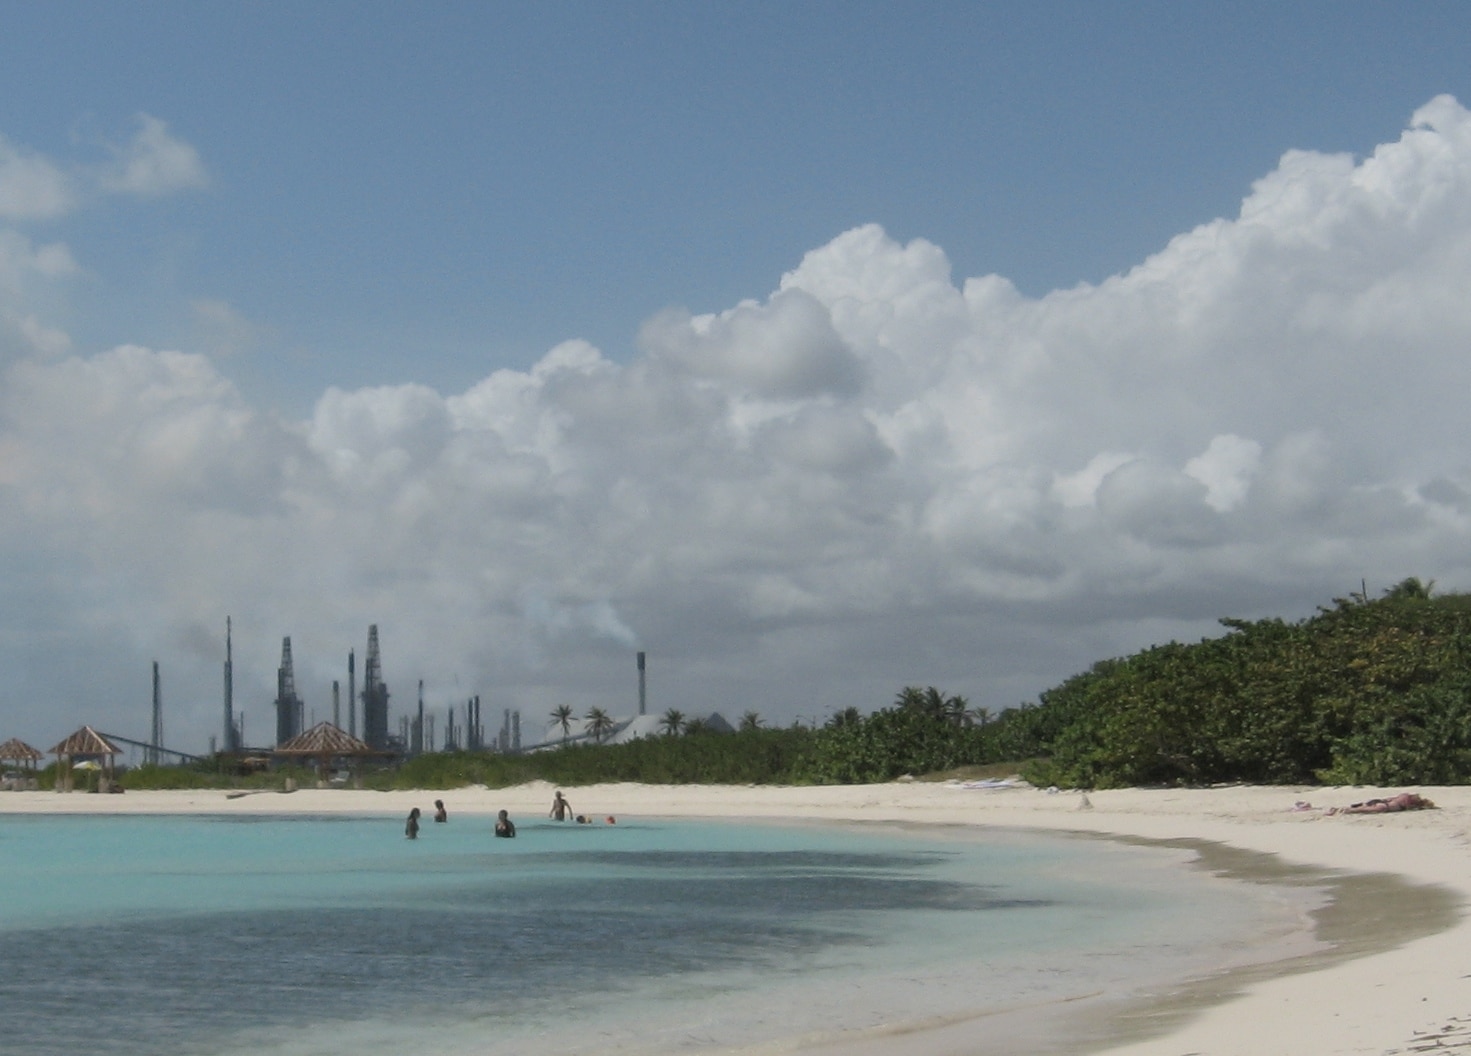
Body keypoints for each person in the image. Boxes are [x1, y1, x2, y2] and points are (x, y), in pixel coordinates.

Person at [1329, 792, 1436, 815]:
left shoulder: (1404, 795)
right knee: (1361, 810)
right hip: (1385, 807)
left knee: (1363, 807)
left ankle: (1336, 809)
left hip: (1380, 801)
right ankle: (1346, 810)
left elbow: (1390, 798)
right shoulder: (1411, 803)